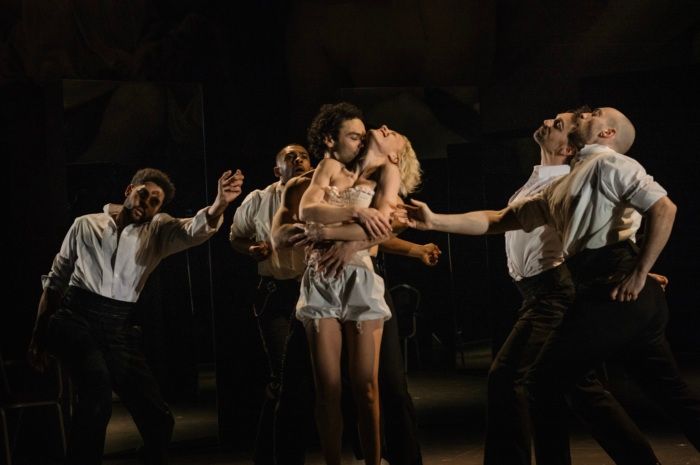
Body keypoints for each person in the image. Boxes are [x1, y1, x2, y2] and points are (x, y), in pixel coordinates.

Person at [405, 106, 700, 464]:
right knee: (667, 392)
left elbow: (664, 209)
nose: (583, 114)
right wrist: (434, 220)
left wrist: (640, 272)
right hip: (605, 289)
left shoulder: (610, 163)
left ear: (606, 134)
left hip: (614, 290)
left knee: (541, 381)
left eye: (593, 114)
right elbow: (498, 219)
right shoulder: (564, 183)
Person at [28, 167, 245, 465]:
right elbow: (55, 282)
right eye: (145, 194)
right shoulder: (86, 224)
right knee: (97, 397)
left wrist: (220, 202)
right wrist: (38, 337)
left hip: (117, 326)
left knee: (158, 418)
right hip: (76, 318)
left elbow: (193, 230)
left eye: (156, 201)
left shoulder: (157, 230)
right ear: (129, 191)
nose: (148, 203)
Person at [484, 110, 661, 465]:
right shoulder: (534, 182)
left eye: (559, 124)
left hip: (554, 289)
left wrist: (638, 268)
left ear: (568, 149)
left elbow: (611, 221)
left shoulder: (569, 181)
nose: (548, 122)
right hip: (534, 291)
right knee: (575, 386)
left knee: (509, 376)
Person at [271, 168, 437, 465]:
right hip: (318, 285)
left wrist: (352, 244)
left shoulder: (370, 178)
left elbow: (391, 224)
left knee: (383, 385)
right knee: (314, 387)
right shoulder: (302, 187)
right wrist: (309, 234)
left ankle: (399, 457)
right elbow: (278, 235)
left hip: (362, 280)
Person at [291, 102, 422, 465]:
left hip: (360, 278)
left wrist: (328, 233)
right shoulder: (331, 166)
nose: (384, 128)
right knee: (328, 388)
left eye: (393, 134)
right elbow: (307, 210)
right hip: (321, 277)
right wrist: (356, 213)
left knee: (367, 387)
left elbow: (382, 227)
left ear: (397, 153)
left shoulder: (388, 173)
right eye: (357, 134)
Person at [229, 144, 312, 465]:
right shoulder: (259, 199)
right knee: (284, 376)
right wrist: (252, 248)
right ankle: (274, 456)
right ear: (278, 171)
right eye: (290, 157)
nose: (299, 160)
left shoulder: (322, 196)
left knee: (314, 378)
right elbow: (236, 236)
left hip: (315, 293)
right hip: (276, 294)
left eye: (303, 156)